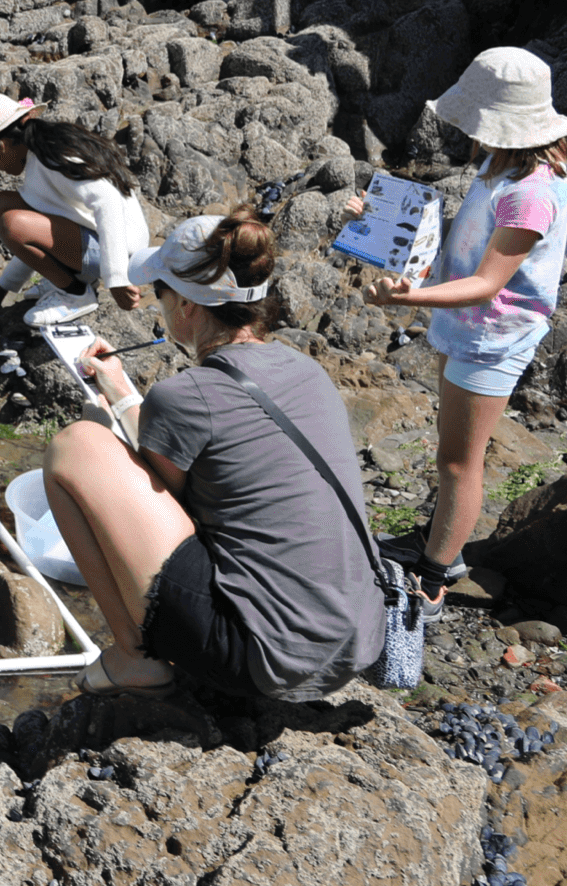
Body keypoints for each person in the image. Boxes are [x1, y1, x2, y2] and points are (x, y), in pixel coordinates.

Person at [40, 209, 386, 698]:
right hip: (355, 641)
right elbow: (210, 452)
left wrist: (102, 426)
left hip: (266, 657)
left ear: (185, 306)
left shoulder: (186, 395)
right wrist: (121, 393)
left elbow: (165, 502)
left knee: (75, 448)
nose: (157, 303)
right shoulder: (306, 371)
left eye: (160, 291)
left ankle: (135, 657)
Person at [358, 47, 567, 607]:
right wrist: (380, 222)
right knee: (451, 451)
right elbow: (455, 235)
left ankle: (433, 579)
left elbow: (487, 283)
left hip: (492, 335)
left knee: (460, 461)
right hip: (465, 324)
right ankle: (439, 540)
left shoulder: (531, 195)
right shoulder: (500, 168)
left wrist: (411, 297)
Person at [0, 95, 153, 329]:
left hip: (122, 253)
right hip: (97, 241)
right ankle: (73, 280)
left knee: (12, 223)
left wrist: (117, 278)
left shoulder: (50, 157)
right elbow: (45, 230)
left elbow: (106, 200)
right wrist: (5, 285)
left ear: (1, 145)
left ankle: (76, 294)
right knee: (0, 205)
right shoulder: (41, 149)